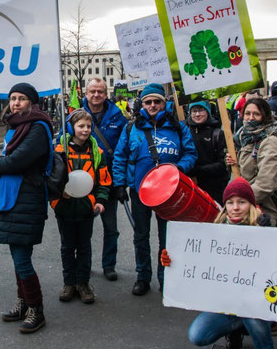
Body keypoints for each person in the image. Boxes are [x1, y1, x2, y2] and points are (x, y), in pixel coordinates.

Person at [161, 178, 277, 349]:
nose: (235, 208)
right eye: (230, 202)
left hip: (256, 304)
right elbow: (194, 264)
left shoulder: (265, 232)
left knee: (260, 335)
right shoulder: (213, 231)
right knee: (197, 335)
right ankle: (237, 329)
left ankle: (259, 327)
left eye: (241, 202)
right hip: (226, 304)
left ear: (250, 204)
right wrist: (172, 260)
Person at [112, 83, 197, 295]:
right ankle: (143, 277)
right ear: (143, 103)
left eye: (157, 101)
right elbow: (120, 156)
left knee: (166, 238)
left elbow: (191, 154)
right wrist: (120, 184)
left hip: (169, 194)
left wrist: (178, 168)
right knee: (140, 236)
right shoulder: (132, 128)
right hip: (140, 191)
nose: (152, 105)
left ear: (164, 103)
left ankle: (165, 276)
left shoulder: (179, 127)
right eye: (148, 101)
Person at [0, 82, 52, 334]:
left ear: (32, 103)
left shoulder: (37, 126)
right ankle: (23, 304)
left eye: (21, 98)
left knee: (22, 257)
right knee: (17, 255)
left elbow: (17, 161)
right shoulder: (16, 127)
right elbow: (10, 169)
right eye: (12, 98)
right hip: (12, 198)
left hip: (27, 200)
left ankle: (37, 309)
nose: (15, 102)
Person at [51, 109, 112, 304]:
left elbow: (103, 181)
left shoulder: (97, 152)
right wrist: (60, 193)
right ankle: (69, 283)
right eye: (81, 126)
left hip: (87, 208)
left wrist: (100, 201)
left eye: (88, 126)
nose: (85, 130)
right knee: (67, 247)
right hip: (64, 207)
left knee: (84, 247)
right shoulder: (59, 151)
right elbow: (51, 179)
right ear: (71, 128)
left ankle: (83, 283)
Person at [82, 77, 127, 281]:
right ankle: (84, 264)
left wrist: (120, 182)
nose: (96, 95)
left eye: (100, 91)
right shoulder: (76, 115)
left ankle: (109, 265)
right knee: (84, 228)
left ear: (106, 93)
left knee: (110, 228)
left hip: (108, 182)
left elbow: (123, 151)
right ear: (86, 93)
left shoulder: (118, 117)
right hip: (83, 182)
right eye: (92, 91)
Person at [225, 98, 277, 227]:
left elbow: (266, 183)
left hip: (262, 212)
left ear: (264, 116)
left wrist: (237, 202)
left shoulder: (270, 142)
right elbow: (247, 171)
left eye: (256, 114)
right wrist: (234, 162)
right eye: (247, 113)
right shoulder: (243, 137)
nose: (250, 118)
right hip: (244, 210)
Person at [185, 101, 229, 204]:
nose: (197, 114)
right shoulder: (185, 132)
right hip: (191, 186)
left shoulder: (217, 134)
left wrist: (198, 171)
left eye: (201, 110)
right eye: (194, 111)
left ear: (208, 112)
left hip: (215, 187)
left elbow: (222, 164)